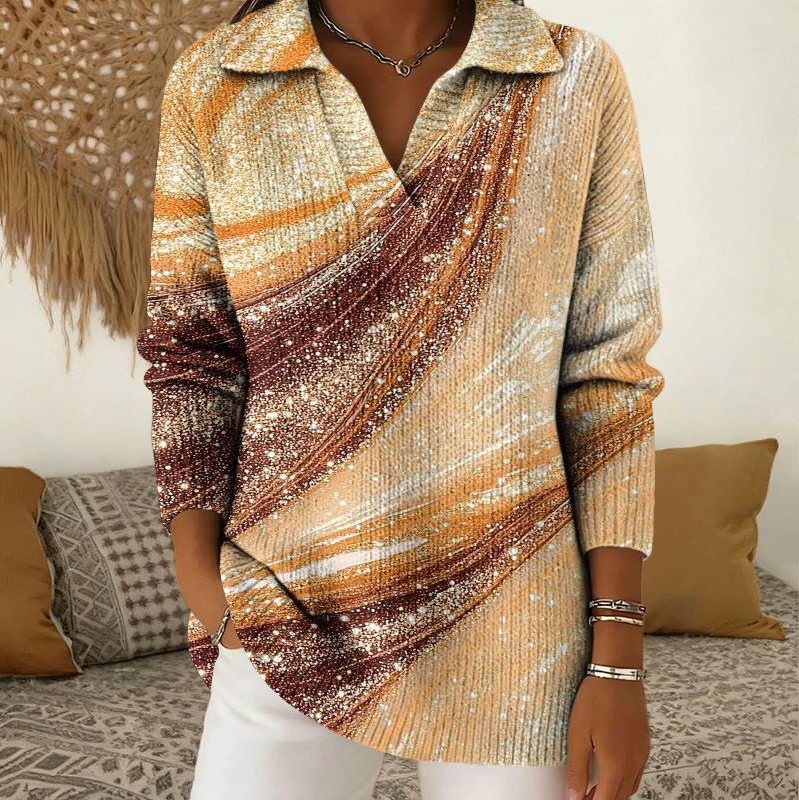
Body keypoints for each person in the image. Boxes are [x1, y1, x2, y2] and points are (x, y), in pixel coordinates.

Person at [135, 0, 665, 797]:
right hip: (283, 618)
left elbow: (606, 375)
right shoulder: (218, 79)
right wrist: (204, 590)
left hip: (515, 634)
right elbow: (193, 355)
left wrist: (618, 659)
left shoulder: (570, 76)